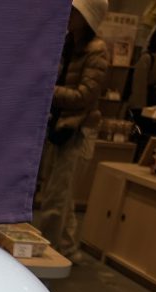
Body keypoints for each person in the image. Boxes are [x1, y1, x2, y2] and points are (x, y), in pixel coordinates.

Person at [39, 0, 109, 262]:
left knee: (56, 197)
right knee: (61, 193)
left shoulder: (96, 51)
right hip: (60, 126)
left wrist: (49, 90)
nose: (69, 14)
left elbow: (84, 96)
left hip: (76, 130)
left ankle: (46, 255)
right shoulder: (69, 43)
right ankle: (68, 249)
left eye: (76, 11)